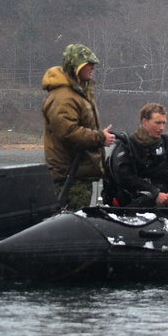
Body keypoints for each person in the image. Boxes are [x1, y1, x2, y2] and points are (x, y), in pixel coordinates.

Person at [41, 43, 115, 210]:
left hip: (80, 176)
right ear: (76, 66)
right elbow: (68, 133)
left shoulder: (79, 93)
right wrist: (100, 137)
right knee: (70, 221)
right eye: (88, 63)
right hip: (69, 178)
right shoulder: (63, 97)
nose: (93, 67)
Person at [104, 102, 168, 209]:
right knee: (148, 200)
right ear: (145, 122)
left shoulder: (167, 144)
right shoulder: (127, 146)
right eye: (157, 123)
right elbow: (125, 178)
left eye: (164, 123)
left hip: (166, 199)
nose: (162, 127)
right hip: (134, 201)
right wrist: (155, 193)